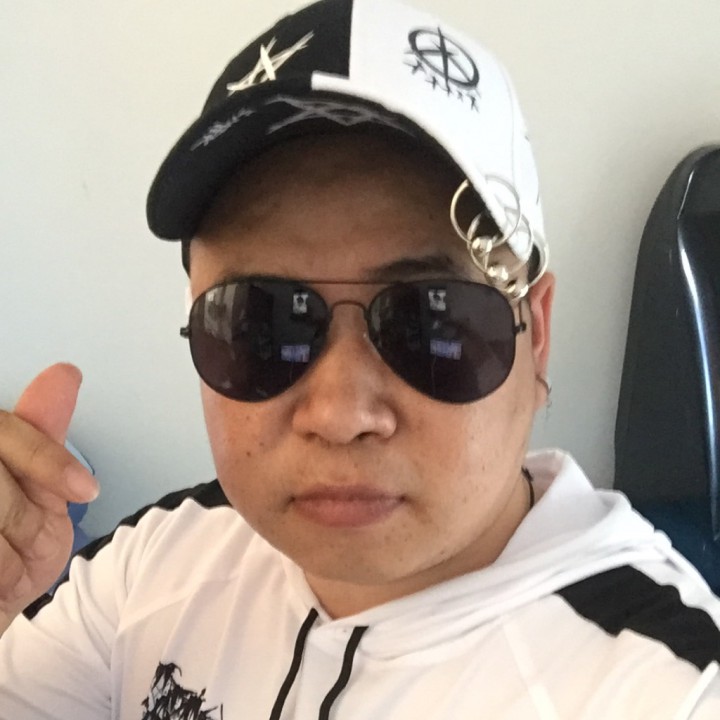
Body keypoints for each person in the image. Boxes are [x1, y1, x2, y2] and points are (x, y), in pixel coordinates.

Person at [1, 0, 719, 717]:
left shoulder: (665, 687)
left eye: (430, 321)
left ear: (536, 337)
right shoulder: (158, 559)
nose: (339, 413)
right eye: (260, 322)